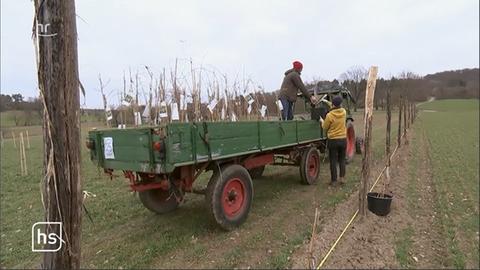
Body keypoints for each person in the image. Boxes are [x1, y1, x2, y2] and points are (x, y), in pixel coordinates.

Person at [320, 95, 347, 186]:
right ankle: (342, 178)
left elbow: (325, 127)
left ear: (333, 105)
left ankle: (334, 181)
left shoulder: (329, 115)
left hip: (333, 141)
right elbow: (335, 105)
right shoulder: (343, 112)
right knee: (342, 159)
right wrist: (326, 101)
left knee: (333, 160)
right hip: (343, 139)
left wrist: (321, 121)